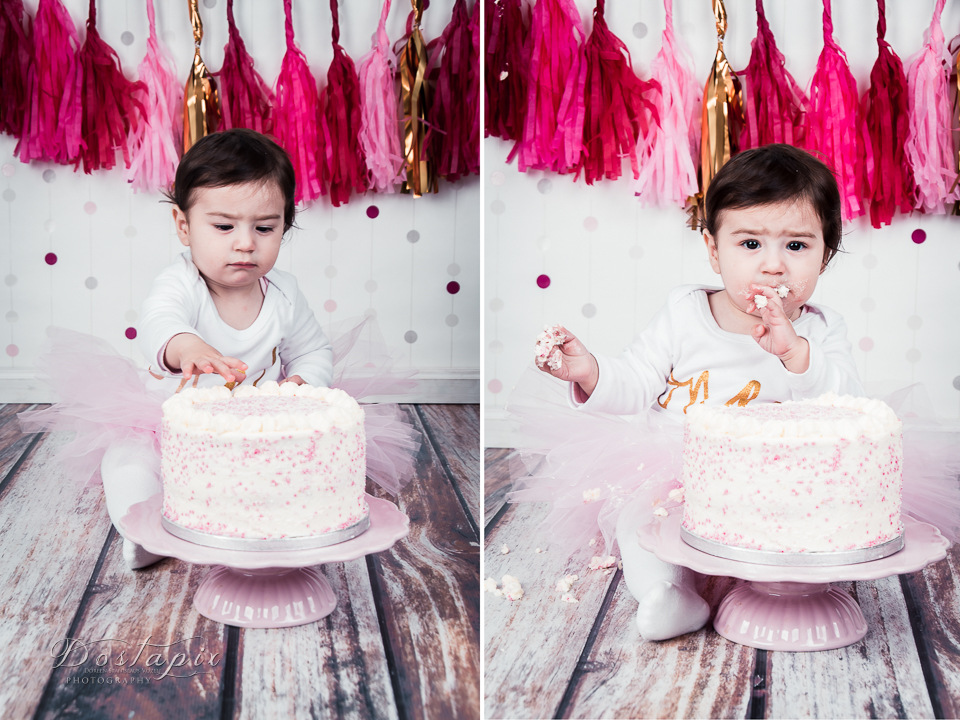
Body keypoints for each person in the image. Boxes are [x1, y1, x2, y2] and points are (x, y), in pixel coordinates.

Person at [512, 143, 865, 641]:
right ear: (713, 250)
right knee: (640, 524)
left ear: (825, 255)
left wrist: (796, 354)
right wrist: (590, 372)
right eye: (750, 244)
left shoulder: (822, 332)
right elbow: (635, 381)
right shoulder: (685, 313)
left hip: (775, 483)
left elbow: (846, 404)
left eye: (797, 246)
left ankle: (770, 588)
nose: (773, 266)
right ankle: (666, 594)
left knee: (791, 541)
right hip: (675, 472)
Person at [19, 129, 418, 569]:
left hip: (254, 428)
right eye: (224, 226)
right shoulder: (181, 283)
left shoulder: (284, 293)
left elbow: (314, 351)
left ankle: (282, 525)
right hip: (166, 420)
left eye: (265, 227)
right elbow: (159, 324)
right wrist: (186, 346)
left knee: (307, 467)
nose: (246, 242)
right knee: (128, 462)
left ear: (285, 226)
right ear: (184, 226)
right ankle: (141, 530)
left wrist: (303, 385)